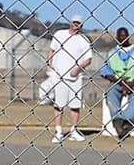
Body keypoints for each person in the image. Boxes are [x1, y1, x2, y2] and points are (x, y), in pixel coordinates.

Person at [39, 15, 95, 143]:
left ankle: (74, 130)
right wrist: (49, 65)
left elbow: (88, 59)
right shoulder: (59, 35)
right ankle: (58, 130)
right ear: (70, 23)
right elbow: (51, 50)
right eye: (74, 22)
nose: (76, 25)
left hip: (75, 77)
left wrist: (78, 67)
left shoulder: (83, 40)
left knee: (75, 105)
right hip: (59, 75)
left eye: (79, 23)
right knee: (59, 103)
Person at [100, 26, 134, 138]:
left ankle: (127, 119)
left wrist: (130, 84)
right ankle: (117, 119)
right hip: (117, 81)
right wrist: (120, 82)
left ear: (128, 37)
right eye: (120, 36)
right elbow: (105, 72)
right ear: (117, 37)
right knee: (110, 92)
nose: (122, 38)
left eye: (124, 35)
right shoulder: (112, 53)